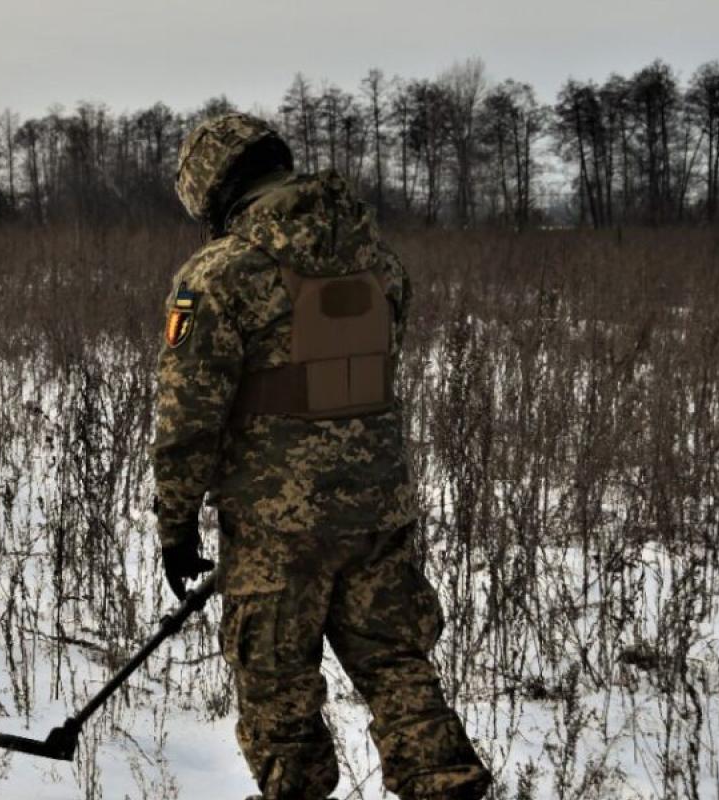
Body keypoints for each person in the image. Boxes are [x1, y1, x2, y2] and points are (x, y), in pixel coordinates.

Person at [152, 112, 491, 800]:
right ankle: (444, 782)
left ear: (212, 190)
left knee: (276, 683)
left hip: (278, 525)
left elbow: (188, 417)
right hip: (376, 509)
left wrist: (175, 524)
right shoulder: (379, 259)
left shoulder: (218, 274)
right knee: (397, 663)